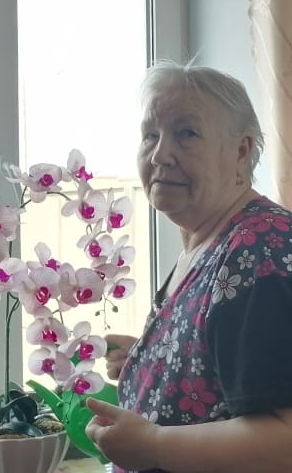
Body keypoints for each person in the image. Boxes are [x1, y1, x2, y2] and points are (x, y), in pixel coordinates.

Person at [84, 61, 292, 472]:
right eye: (150, 135)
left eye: (187, 133)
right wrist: (156, 360)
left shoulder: (260, 250)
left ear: (241, 151)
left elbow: (285, 442)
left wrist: (154, 444)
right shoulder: (211, 242)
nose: (160, 154)